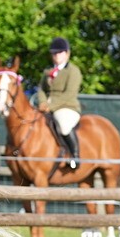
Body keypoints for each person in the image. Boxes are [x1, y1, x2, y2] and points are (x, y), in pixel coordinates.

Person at [37, 36, 82, 169]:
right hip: (47, 107)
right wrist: (43, 102)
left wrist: (50, 106)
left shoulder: (73, 71)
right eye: (54, 53)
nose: (56, 55)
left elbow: (70, 94)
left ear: (67, 53)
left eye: (59, 52)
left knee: (64, 125)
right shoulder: (47, 71)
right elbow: (41, 89)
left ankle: (74, 156)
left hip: (67, 107)